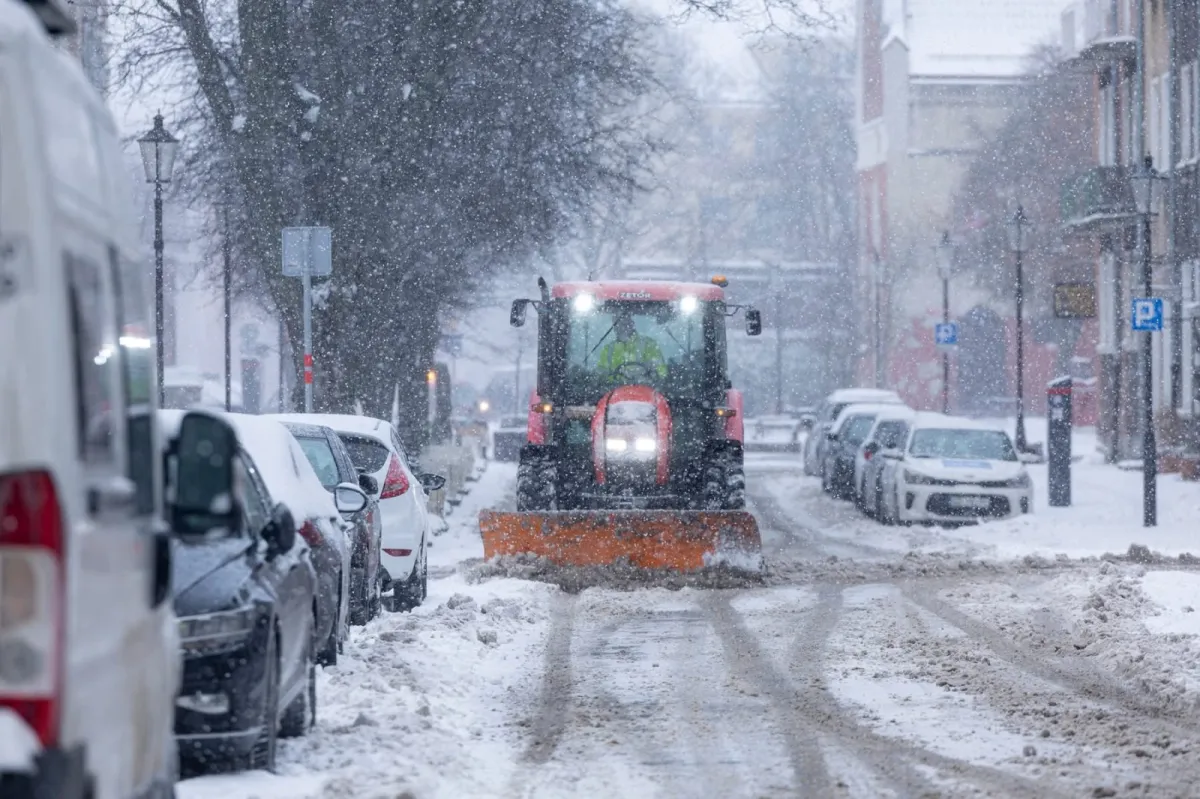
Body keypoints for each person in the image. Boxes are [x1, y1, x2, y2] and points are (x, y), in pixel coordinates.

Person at [597, 314, 667, 380]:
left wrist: (642, 372)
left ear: (632, 323)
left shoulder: (648, 344)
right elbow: (600, 375)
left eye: (625, 322)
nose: (622, 326)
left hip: (645, 390)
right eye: (617, 322)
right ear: (614, 327)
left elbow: (661, 372)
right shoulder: (608, 350)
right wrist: (615, 376)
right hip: (615, 390)